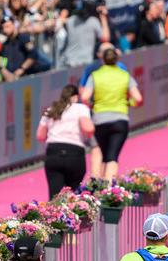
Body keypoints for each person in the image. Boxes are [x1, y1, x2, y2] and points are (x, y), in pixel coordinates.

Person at [82, 46, 142, 180]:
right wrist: (128, 103)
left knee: (101, 153)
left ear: (102, 60)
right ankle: (109, 187)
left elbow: (85, 97)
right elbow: (138, 98)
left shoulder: (95, 75)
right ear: (117, 59)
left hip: (99, 119)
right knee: (112, 156)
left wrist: (92, 105)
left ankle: (97, 183)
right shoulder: (125, 75)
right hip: (120, 119)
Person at [36, 84, 94, 197]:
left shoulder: (52, 110)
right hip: (74, 152)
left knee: (55, 195)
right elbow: (88, 128)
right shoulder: (81, 108)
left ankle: (55, 207)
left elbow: (40, 136)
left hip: (54, 152)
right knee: (72, 194)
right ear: (76, 97)